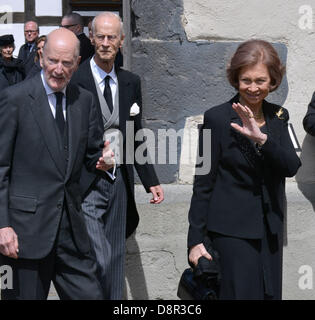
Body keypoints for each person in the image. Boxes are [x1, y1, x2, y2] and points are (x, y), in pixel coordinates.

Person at [0, 28, 115, 300]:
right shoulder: (14, 99)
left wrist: (104, 162)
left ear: (77, 63)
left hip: (71, 232)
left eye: (66, 63)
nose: (58, 70)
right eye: (53, 61)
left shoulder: (84, 100)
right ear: (41, 57)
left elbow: (91, 156)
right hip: (23, 235)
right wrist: (2, 225)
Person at [187, 39, 301, 300]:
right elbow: (203, 182)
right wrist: (195, 240)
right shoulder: (215, 118)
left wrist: (261, 139)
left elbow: (291, 166)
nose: (253, 88)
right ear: (235, 79)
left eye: (261, 80)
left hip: (269, 232)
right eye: (246, 80)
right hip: (231, 233)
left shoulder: (279, 117)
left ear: (272, 81)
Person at [70, 12, 164, 300]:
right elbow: (67, 135)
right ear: (91, 38)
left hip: (119, 182)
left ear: (122, 41)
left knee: (115, 257)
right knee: (99, 256)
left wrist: (151, 180)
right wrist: (90, 158)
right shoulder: (75, 78)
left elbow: (137, 133)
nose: (106, 43)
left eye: (112, 37)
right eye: (101, 36)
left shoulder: (130, 81)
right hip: (87, 183)